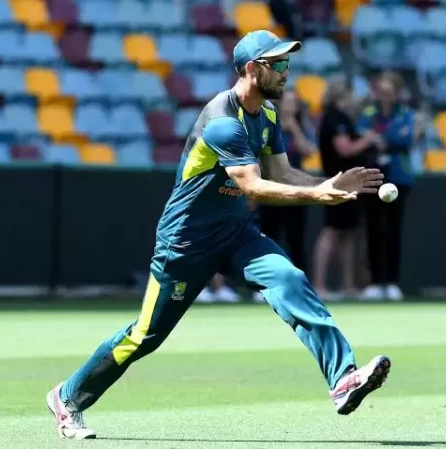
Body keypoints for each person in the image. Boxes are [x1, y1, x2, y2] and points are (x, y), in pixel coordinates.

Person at [45, 30, 390, 440]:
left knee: (289, 279)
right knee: (144, 336)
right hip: (185, 242)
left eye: (287, 63)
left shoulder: (268, 115)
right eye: (278, 64)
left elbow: (282, 173)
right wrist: (318, 195)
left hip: (235, 232)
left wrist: (328, 183)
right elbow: (254, 186)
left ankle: (342, 377)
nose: (287, 72)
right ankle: (67, 396)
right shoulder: (223, 122)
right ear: (252, 69)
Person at [313, 79, 383, 300]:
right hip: (338, 182)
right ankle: (319, 285)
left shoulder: (338, 117)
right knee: (331, 232)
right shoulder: (336, 118)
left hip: (347, 183)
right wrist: (368, 140)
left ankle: (348, 285)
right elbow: (344, 149)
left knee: (348, 233)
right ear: (343, 95)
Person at [357, 72, 418, 301]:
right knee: (373, 229)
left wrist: (377, 138)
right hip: (372, 175)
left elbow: (405, 138)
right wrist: (374, 138)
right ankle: (374, 282)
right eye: (381, 92)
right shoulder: (369, 112)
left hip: (398, 176)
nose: (384, 96)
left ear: (397, 93)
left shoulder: (405, 113)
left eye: (388, 92)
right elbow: (359, 131)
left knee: (393, 229)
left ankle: (392, 282)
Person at [258, 89, 316, 275]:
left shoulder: (300, 125)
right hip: (271, 189)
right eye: (288, 102)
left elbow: (308, 151)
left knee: (296, 240)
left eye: (295, 103)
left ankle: (300, 282)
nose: (292, 107)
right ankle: (269, 281)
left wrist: (294, 128)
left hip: (295, 191)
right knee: (270, 238)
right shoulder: (267, 123)